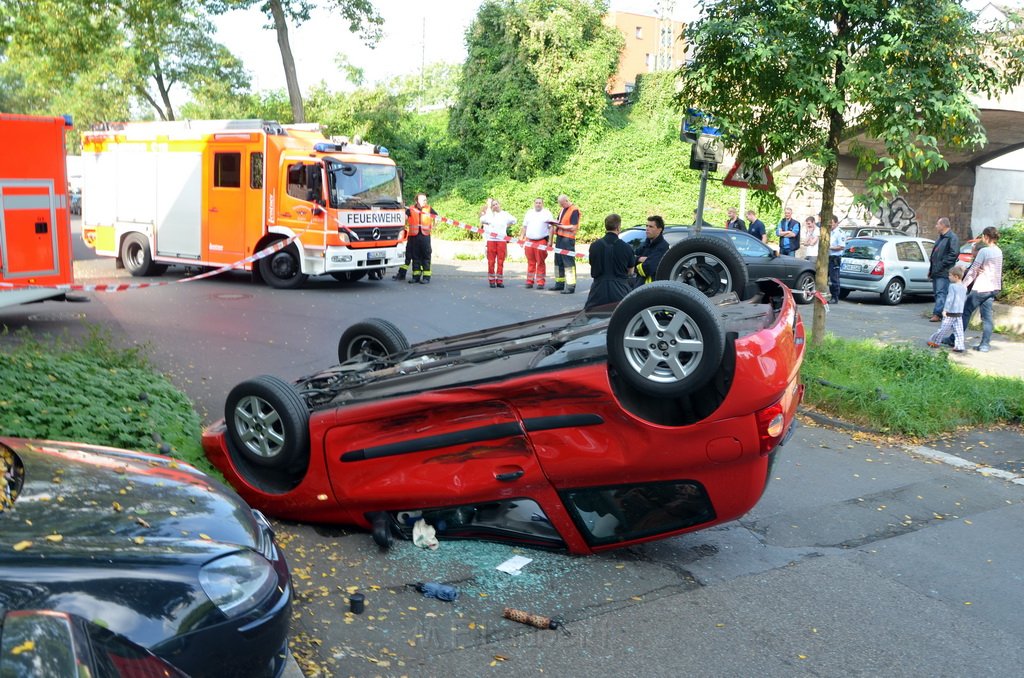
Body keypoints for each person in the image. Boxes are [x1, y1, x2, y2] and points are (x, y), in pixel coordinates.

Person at [960, 226, 1003, 352]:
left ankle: (954, 339)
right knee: (987, 317)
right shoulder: (998, 251)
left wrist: (963, 285)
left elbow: (973, 270)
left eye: (983, 236)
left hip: (981, 287)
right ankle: (985, 345)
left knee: (966, 311)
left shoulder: (984, 251)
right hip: (993, 287)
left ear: (986, 237)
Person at [584, 214, 635, 310]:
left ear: (606, 226)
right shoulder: (626, 247)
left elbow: (592, 264)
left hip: (597, 291)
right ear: (618, 227)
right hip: (620, 290)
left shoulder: (594, 246)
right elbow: (631, 271)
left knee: (591, 316)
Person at [927, 266, 967, 352]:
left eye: (950, 275)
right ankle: (959, 346)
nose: (948, 277)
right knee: (959, 331)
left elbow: (950, 299)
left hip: (950, 313)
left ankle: (935, 341)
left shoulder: (952, 286)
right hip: (959, 313)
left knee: (943, 329)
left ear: (956, 276)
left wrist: (945, 310)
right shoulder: (964, 287)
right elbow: (964, 299)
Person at [928, 217, 960, 322]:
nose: (936, 226)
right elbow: (935, 255)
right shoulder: (941, 238)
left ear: (943, 225)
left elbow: (953, 254)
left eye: (938, 224)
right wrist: (931, 270)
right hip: (937, 271)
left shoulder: (952, 238)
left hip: (944, 271)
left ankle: (938, 314)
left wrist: (941, 265)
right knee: (938, 293)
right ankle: (941, 313)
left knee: (941, 293)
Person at [480, 199, 517, 288]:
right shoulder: (489, 215)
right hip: (491, 240)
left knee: (500, 261)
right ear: (491, 207)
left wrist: (507, 225)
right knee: (491, 261)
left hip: (501, 240)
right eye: (493, 205)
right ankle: (492, 280)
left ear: (499, 204)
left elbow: (514, 220)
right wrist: (490, 213)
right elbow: (482, 220)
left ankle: (499, 281)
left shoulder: (505, 214)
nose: (495, 206)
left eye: (496, 204)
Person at [520, 197, 554, 289]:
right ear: (534, 203)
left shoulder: (547, 213)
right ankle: (529, 281)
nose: (538, 204)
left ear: (542, 204)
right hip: (529, 241)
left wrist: (550, 241)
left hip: (541, 240)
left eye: (540, 203)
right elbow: (524, 226)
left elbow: (551, 228)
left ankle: (540, 282)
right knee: (530, 262)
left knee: (540, 262)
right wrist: (521, 238)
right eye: (536, 203)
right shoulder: (529, 213)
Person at [404, 192, 437, 284]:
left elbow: (437, 217)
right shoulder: (411, 209)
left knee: (426, 256)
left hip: (425, 236)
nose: (425, 201)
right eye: (423, 200)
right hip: (414, 236)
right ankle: (416, 277)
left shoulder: (429, 209)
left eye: (426, 199)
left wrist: (434, 226)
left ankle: (426, 277)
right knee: (415, 257)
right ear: (417, 201)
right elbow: (404, 218)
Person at [551, 194, 580, 294]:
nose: (561, 206)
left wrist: (560, 226)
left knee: (568, 263)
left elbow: (573, 227)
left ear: (566, 201)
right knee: (558, 262)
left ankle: (570, 286)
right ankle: (559, 284)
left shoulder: (574, 210)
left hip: (568, 240)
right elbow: (559, 221)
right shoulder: (563, 209)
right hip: (560, 238)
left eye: (562, 204)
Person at [634, 215, 669, 286]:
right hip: (639, 286)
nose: (647, 228)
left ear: (659, 230)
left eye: (651, 227)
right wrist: (639, 259)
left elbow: (647, 269)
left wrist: (634, 265)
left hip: (652, 288)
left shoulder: (663, 247)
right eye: (646, 226)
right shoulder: (646, 244)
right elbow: (630, 259)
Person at [827, 216, 847, 304]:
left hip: (835, 257)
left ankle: (835, 297)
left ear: (836, 223)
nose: (830, 224)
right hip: (828, 256)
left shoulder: (839, 233)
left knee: (834, 278)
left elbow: (841, 247)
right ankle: (829, 294)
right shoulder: (830, 232)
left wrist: (830, 247)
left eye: (832, 222)